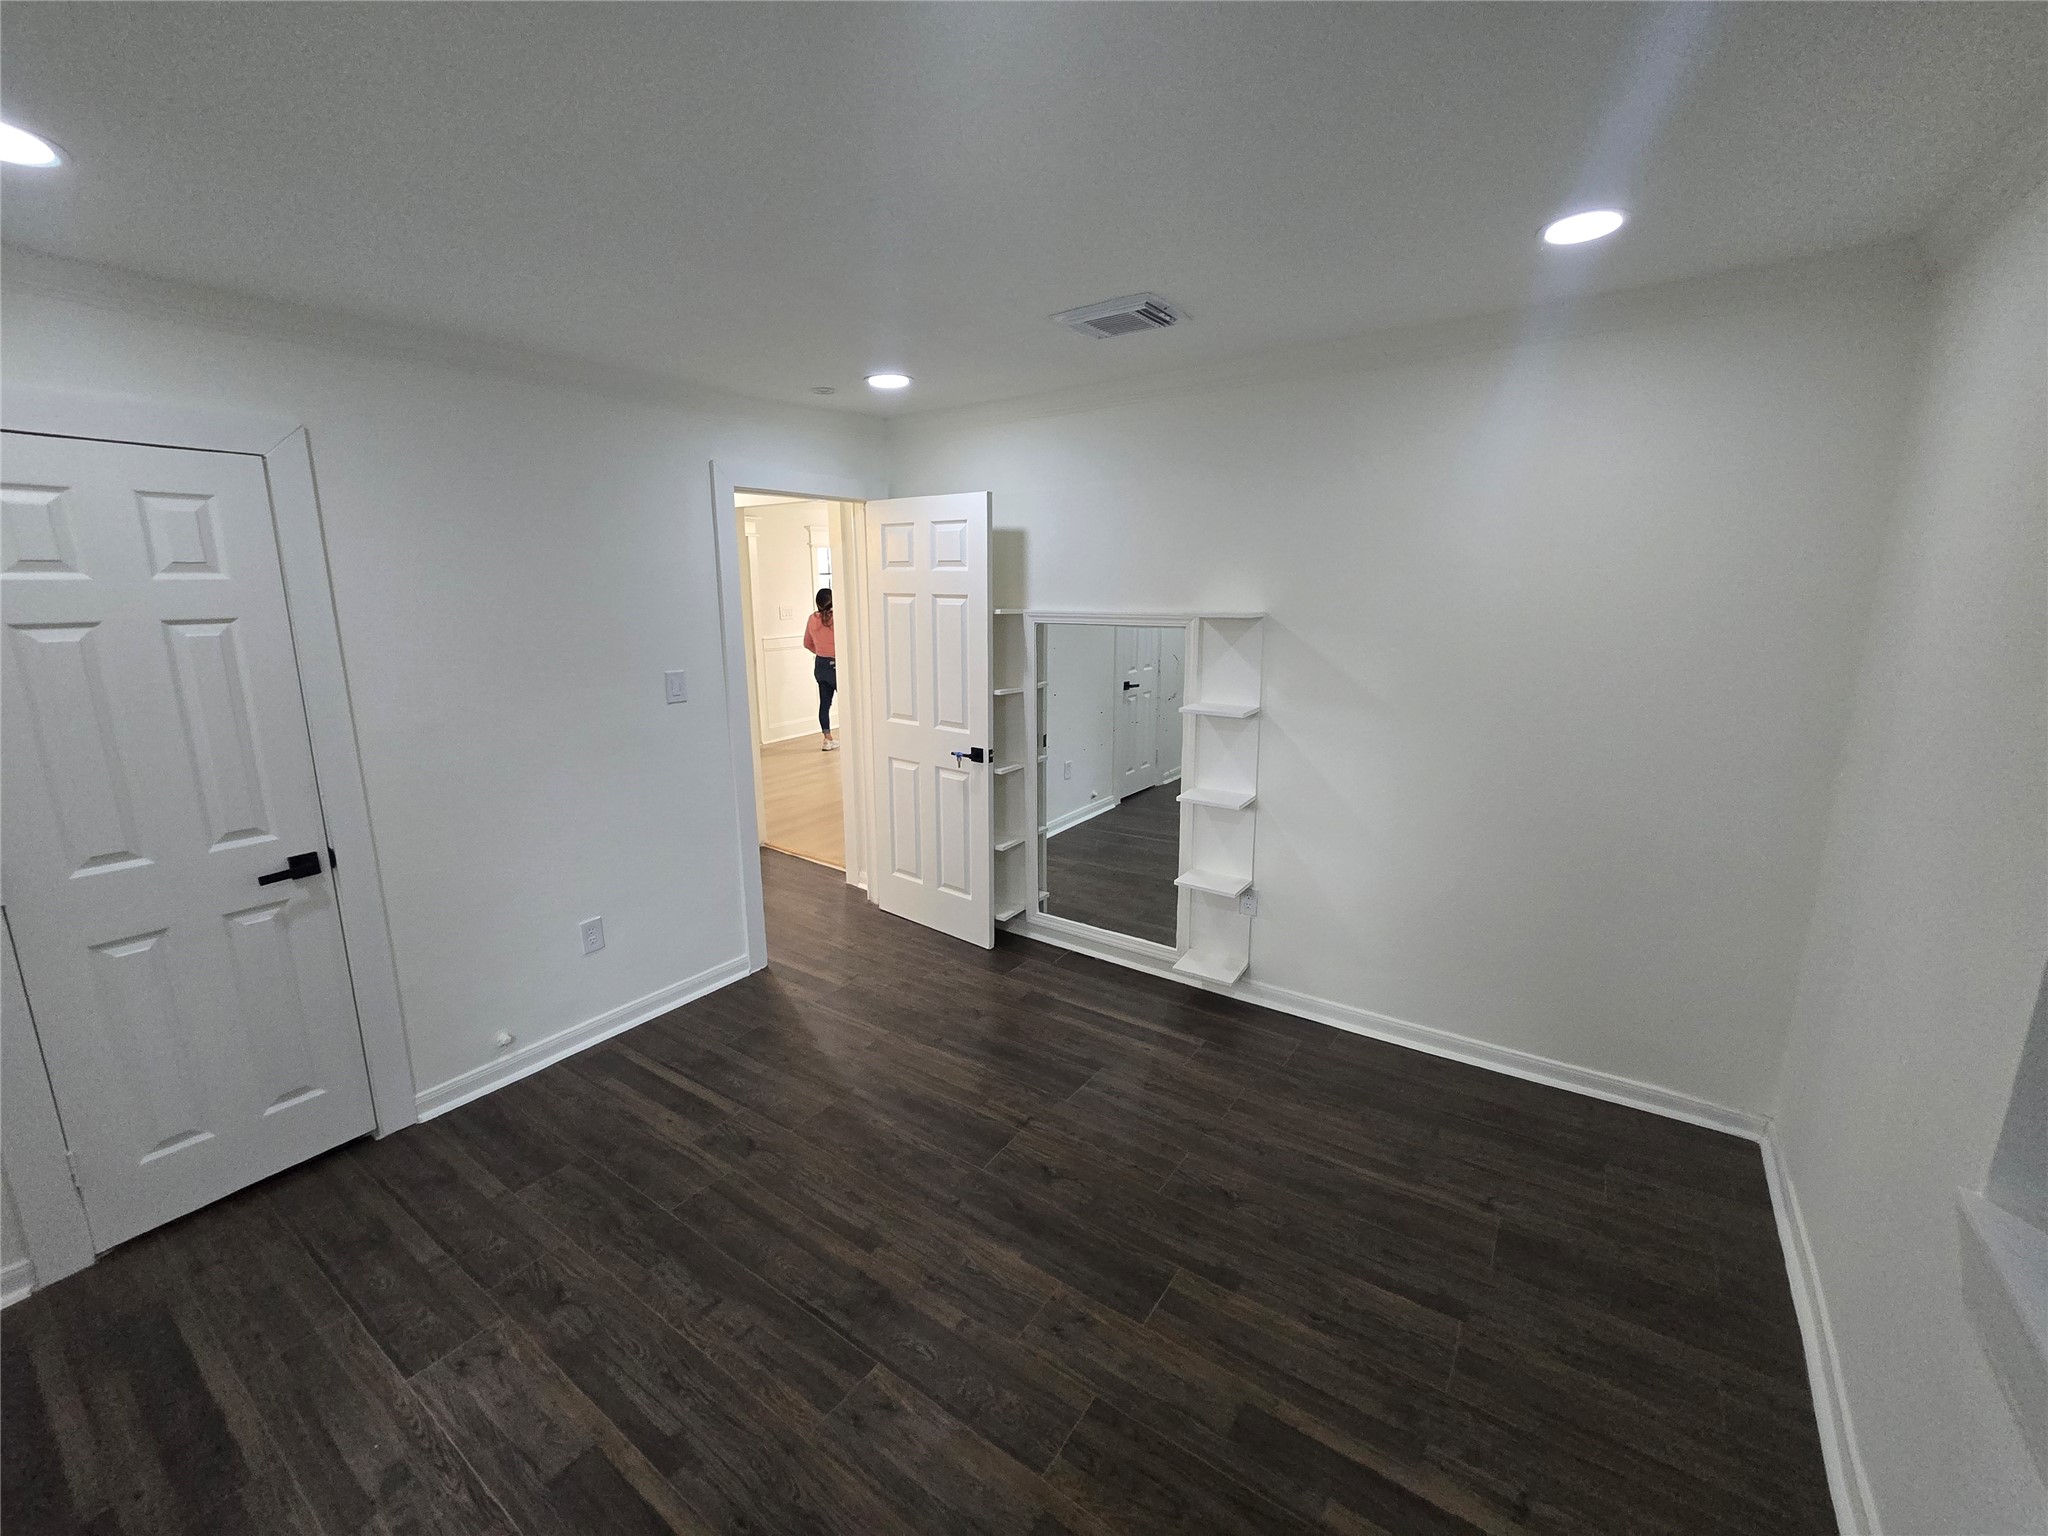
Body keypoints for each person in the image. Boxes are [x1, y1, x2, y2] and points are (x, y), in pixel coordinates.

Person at [801, 587, 837, 750]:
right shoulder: (837, 618)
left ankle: (827, 739)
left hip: (820, 665)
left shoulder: (812, 618)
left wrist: (821, 652)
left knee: (824, 703)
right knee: (850, 703)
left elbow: (807, 643)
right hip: (837, 665)